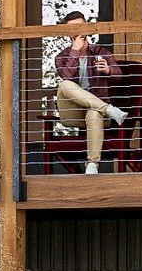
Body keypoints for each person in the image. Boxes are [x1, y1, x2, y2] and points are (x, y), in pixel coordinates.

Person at [48, 12, 126, 173]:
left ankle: (92, 165)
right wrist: (75, 52)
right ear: (68, 33)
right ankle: (109, 110)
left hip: (96, 113)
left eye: (81, 26)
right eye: (74, 28)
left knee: (94, 113)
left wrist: (108, 69)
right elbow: (67, 76)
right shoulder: (61, 57)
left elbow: (119, 74)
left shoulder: (101, 52)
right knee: (65, 85)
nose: (78, 31)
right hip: (73, 113)